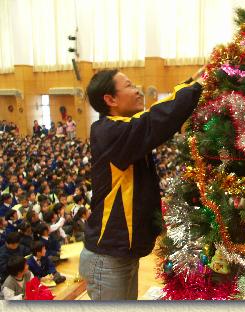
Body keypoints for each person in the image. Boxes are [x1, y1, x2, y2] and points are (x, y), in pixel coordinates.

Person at [79, 67, 204, 300]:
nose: (138, 91)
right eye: (129, 86)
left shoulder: (125, 127)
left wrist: (193, 80)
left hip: (121, 255)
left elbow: (154, 115)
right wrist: (198, 85)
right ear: (110, 99)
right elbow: (155, 121)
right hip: (107, 259)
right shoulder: (109, 131)